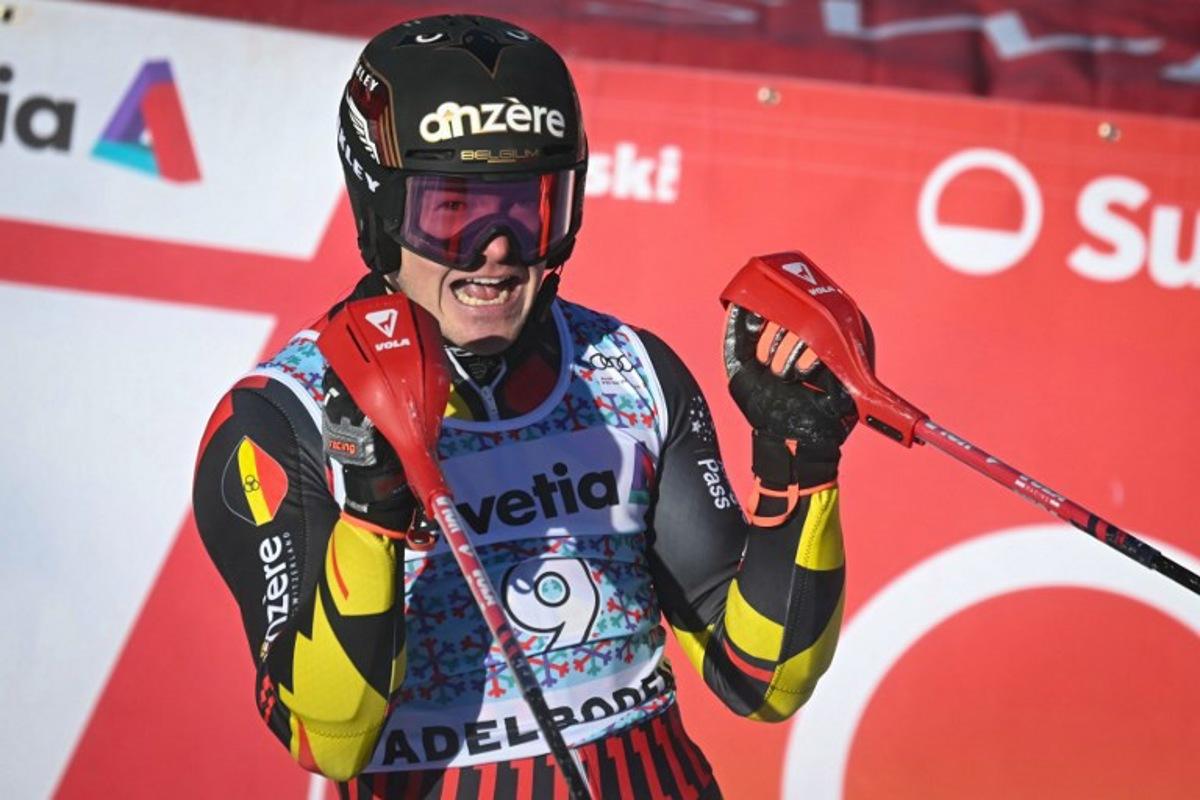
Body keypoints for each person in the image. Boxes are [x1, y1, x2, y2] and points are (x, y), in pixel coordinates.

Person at [192, 14, 858, 800]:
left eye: (527, 205)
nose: (498, 248)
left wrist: (800, 467)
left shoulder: (635, 373)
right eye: (452, 212)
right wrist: (373, 515)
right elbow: (326, 736)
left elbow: (765, 679)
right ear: (380, 208)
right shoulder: (283, 419)